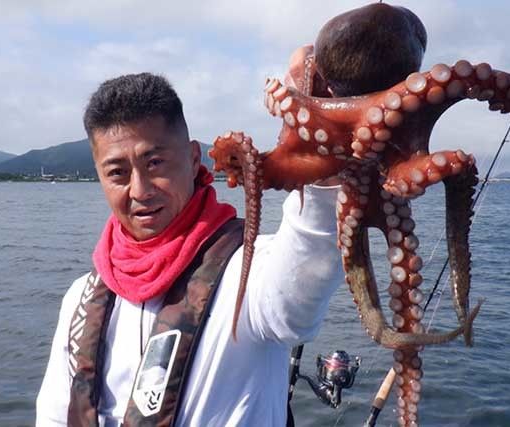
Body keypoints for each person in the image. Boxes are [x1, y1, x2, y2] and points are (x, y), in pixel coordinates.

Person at [36, 72, 344, 426]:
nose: (140, 190)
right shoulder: (80, 298)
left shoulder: (250, 271)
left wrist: (327, 138)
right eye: (118, 172)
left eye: (155, 163)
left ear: (194, 157)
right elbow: (55, 417)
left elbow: (299, 289)